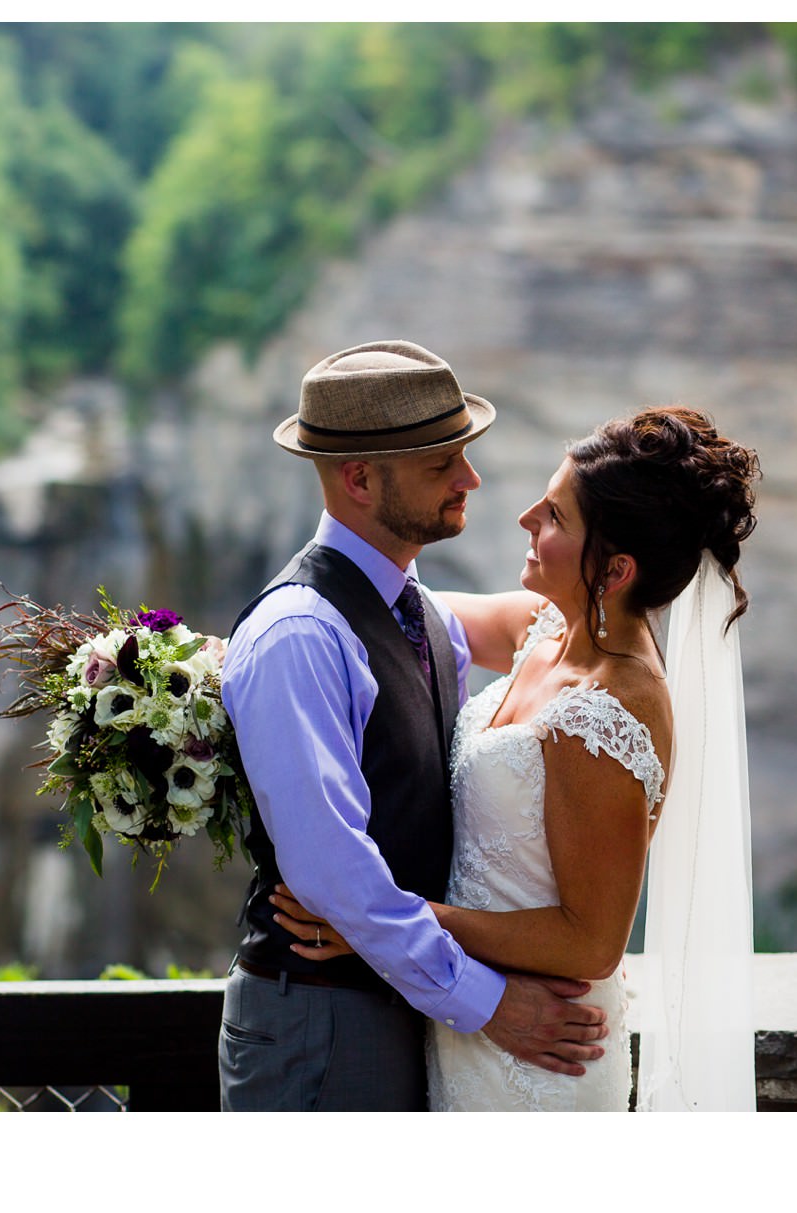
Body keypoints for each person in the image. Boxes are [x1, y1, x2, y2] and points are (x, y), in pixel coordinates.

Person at [272, 404, 761, 1111]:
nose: (527, 518)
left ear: (616, 569)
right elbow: (386, 612)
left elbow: (591, 942)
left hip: (545, 1047)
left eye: (556, 516)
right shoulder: (546, 630)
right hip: (468, 1024)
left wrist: (385, 922)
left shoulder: (604, 710)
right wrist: (245, 655)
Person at [217, 339, 611, 1113]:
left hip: (400, 1005)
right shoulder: (298, 634)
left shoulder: (422, 611)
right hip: (320, 1020)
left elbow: (536, 628)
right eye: (442, 464)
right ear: (359, 478)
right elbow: (332, 877)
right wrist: (490, 1000)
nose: (472, 478)